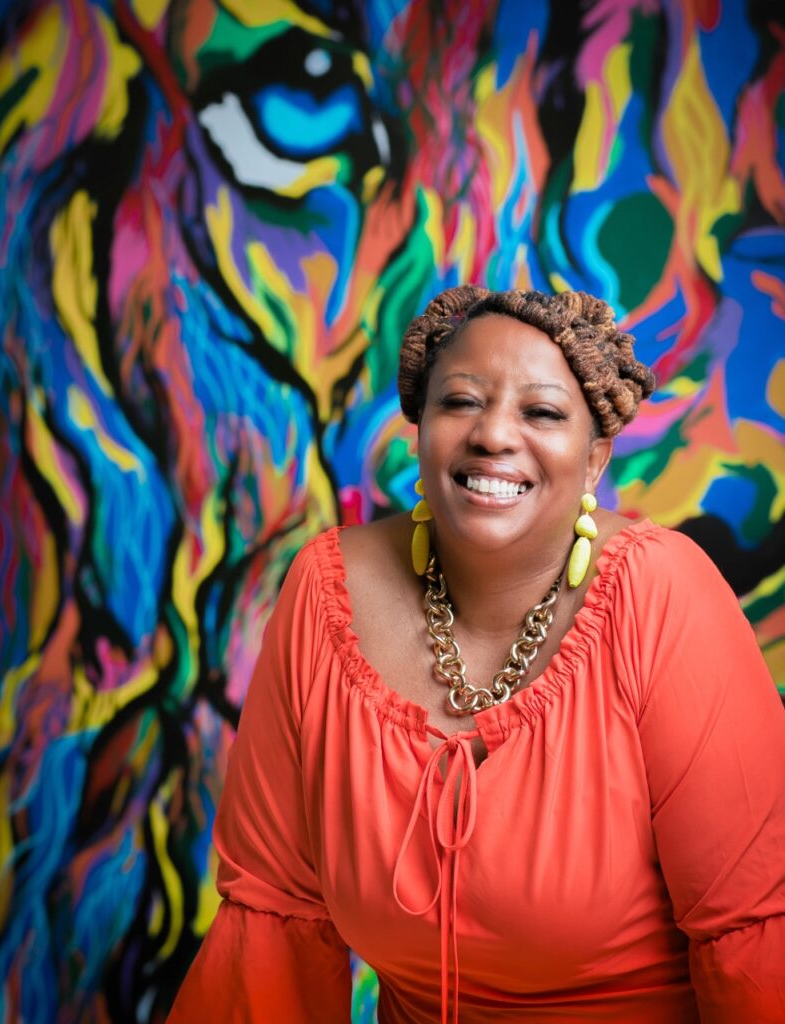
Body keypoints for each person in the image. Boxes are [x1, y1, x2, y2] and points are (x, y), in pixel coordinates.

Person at [168, 287, 785, 1023]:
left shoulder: (663, 596)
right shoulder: (324, 589)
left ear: (593, 461)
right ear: (419, 429)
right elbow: (273, 921)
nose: (493, 434)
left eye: (542, 411)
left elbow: (750, 943)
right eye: (459, 401)